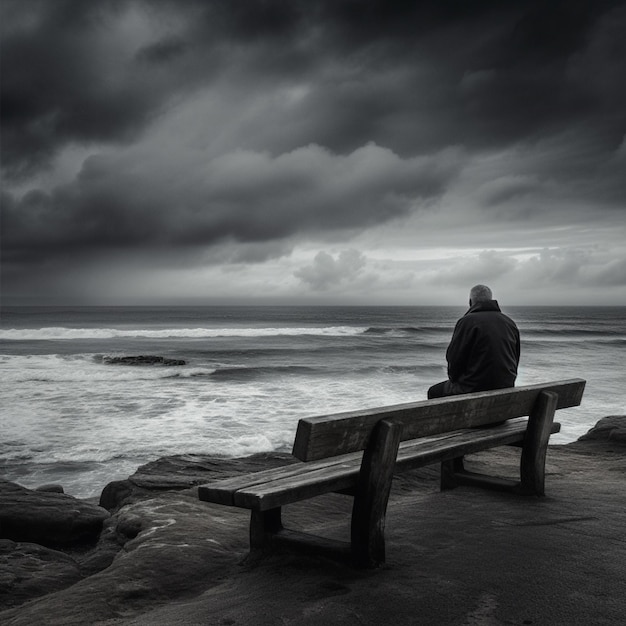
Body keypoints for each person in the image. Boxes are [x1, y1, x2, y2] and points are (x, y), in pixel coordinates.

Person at [428, 284, 520, 399]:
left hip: (473, 387)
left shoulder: (467, 322)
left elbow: (454, 358)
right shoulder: (509, 323)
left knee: (433, 392)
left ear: (470, 302)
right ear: (491, 299)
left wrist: (455, 379)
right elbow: (515, 358)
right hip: (505, 386)